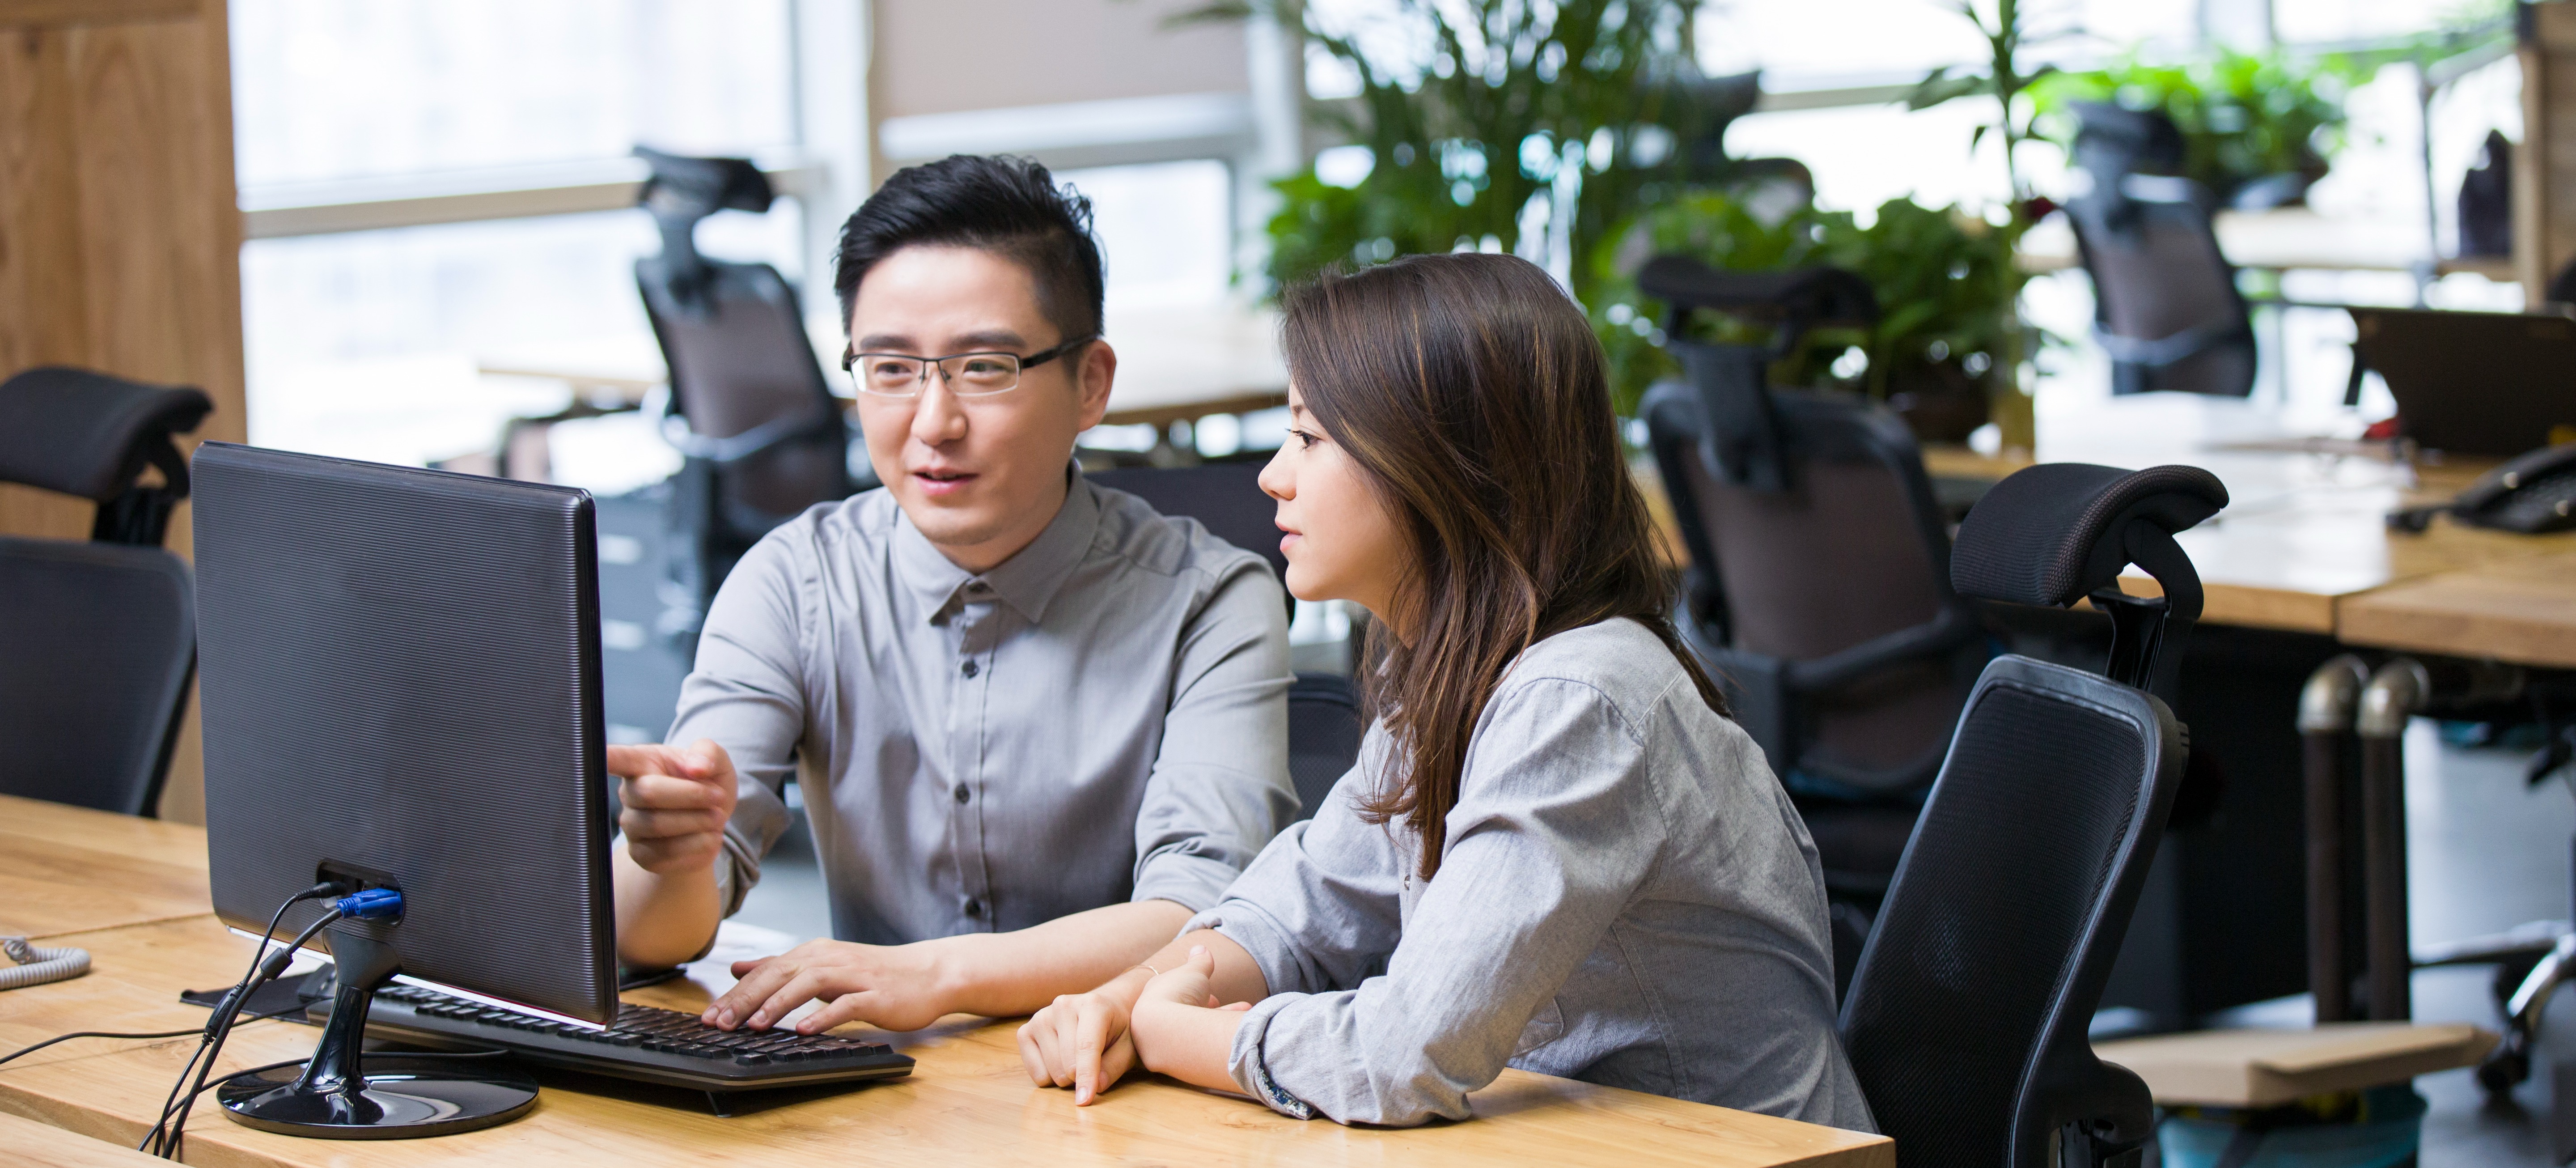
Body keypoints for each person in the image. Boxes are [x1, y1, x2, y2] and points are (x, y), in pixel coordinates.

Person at [1014, 253, 1874, 1130]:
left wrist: (1183, 1038)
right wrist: (1127, 999)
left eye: (1309, 438)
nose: (1273, 476)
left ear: (1442, 465)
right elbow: (1302, 910)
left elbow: (1403, 1055)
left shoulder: (1579, 698)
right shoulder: (1453, 675)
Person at [608, 154, 1296, 1036]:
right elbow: (660, 934)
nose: (933, 422)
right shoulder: (795, 580)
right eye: (890, 368)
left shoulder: (1210, 601)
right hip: (878, 1098)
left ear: (1091, 383)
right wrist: (667, 857)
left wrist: (935, 975)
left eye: (985, 367)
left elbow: (1201, 921)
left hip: (1122, 1088)